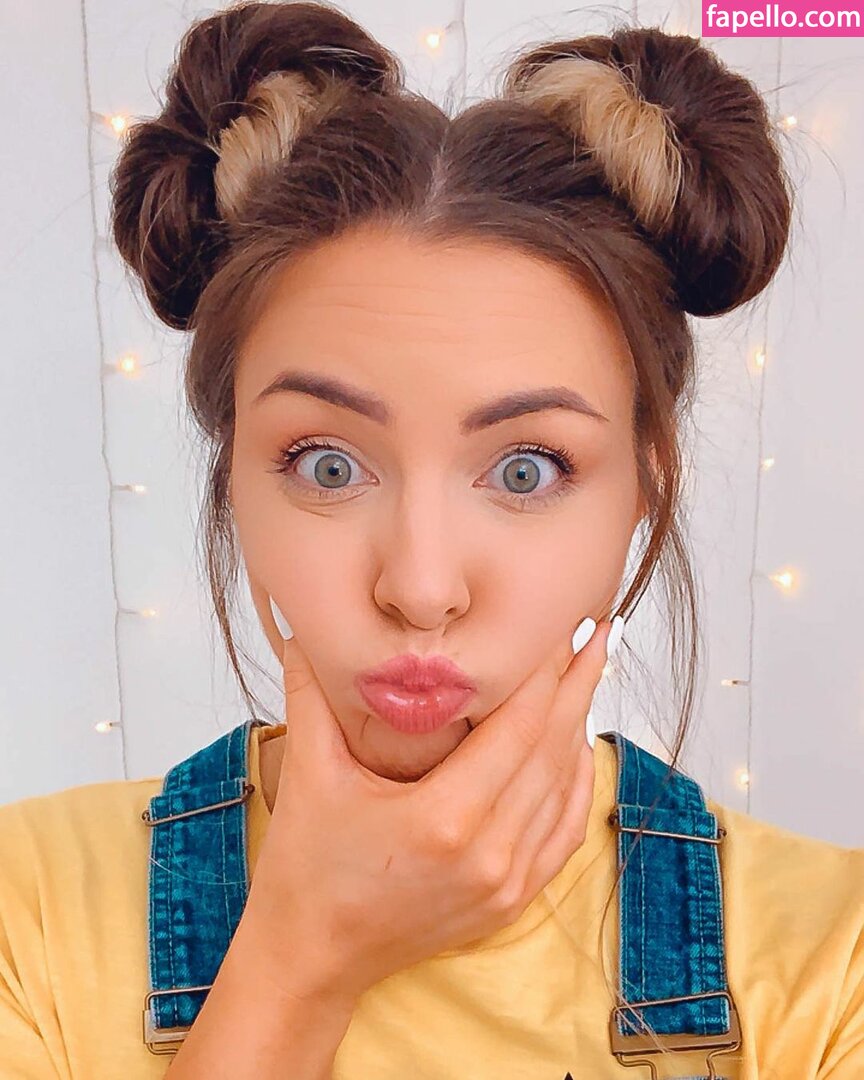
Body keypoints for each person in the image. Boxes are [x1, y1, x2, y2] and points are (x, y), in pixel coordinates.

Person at [1, 2, 862, 1078]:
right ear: (233, 476)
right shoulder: (27, 910)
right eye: (327, 464)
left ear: (645, 485)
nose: (419, 587)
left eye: (526, 469)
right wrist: (301, 960)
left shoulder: (832, 959)